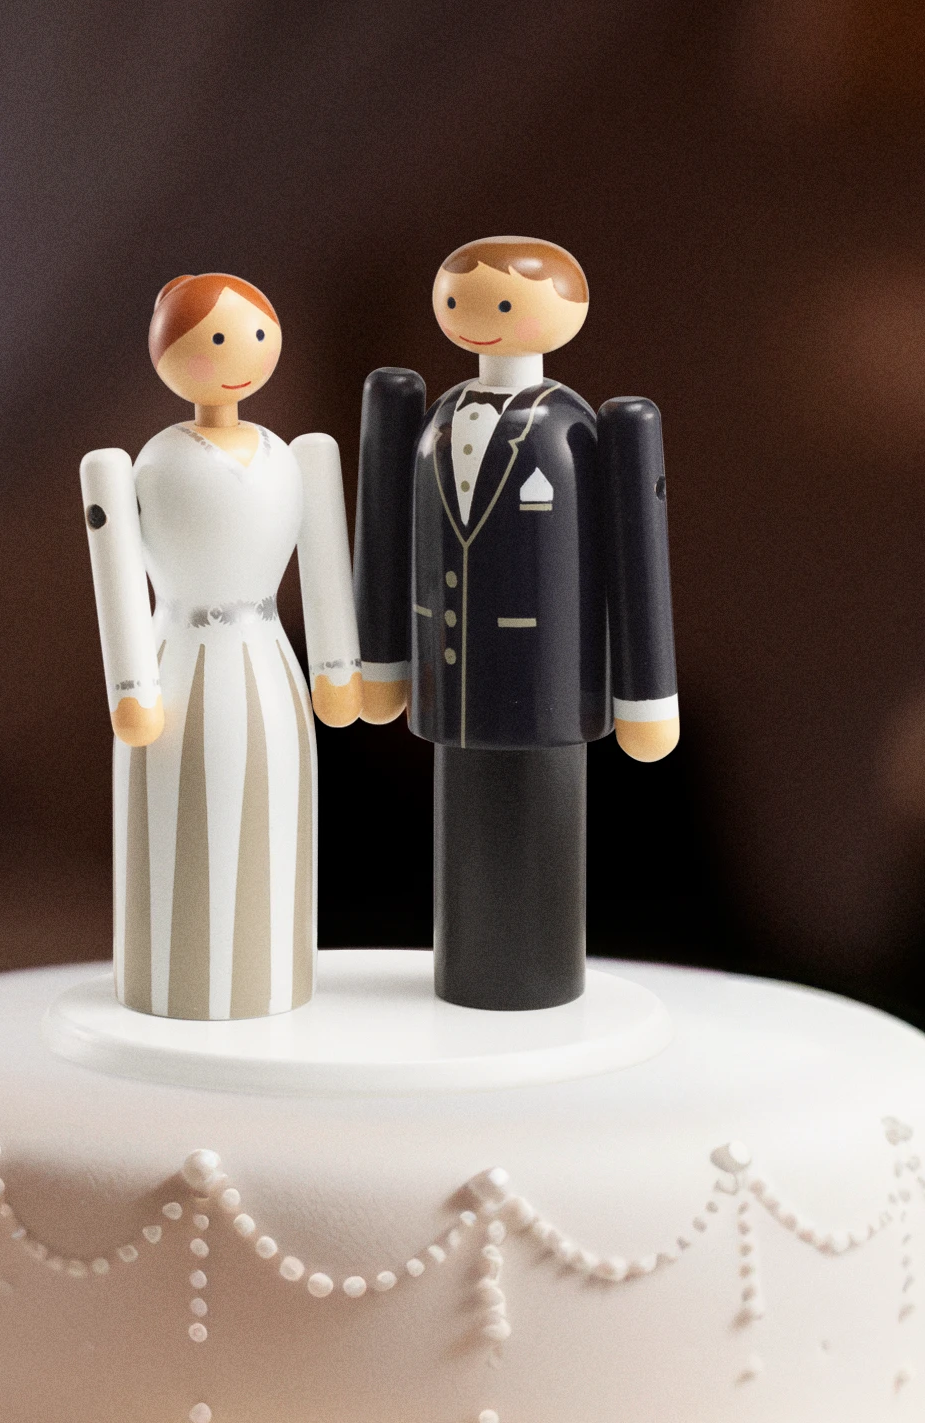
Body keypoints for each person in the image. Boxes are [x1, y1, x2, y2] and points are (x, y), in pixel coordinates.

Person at [353, 237, 678, 1010]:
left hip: (548, 683)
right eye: (469, 303)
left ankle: (536, 980)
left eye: (505, 304)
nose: (487, 321)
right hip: (453, 684)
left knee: (539, 844)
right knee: (467, 851)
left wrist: (646, 695)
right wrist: (383, 664)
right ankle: (470, 970)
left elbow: (635, 556)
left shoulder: (573, 431)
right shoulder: (430, 423)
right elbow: (389, 540)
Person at [80, 273, 358, 1021]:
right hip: (177, 670)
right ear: (168, 353)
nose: (238, 354)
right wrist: (130, 684)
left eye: (255, 336)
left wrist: (338, 666)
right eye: (214, 339)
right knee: (171, 845)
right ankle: (165, 985)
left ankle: (270, 982)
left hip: (269, 670)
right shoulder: (148, 465)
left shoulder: (293, 458)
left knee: (272, 841)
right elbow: (116, 578)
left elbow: (325, 556)